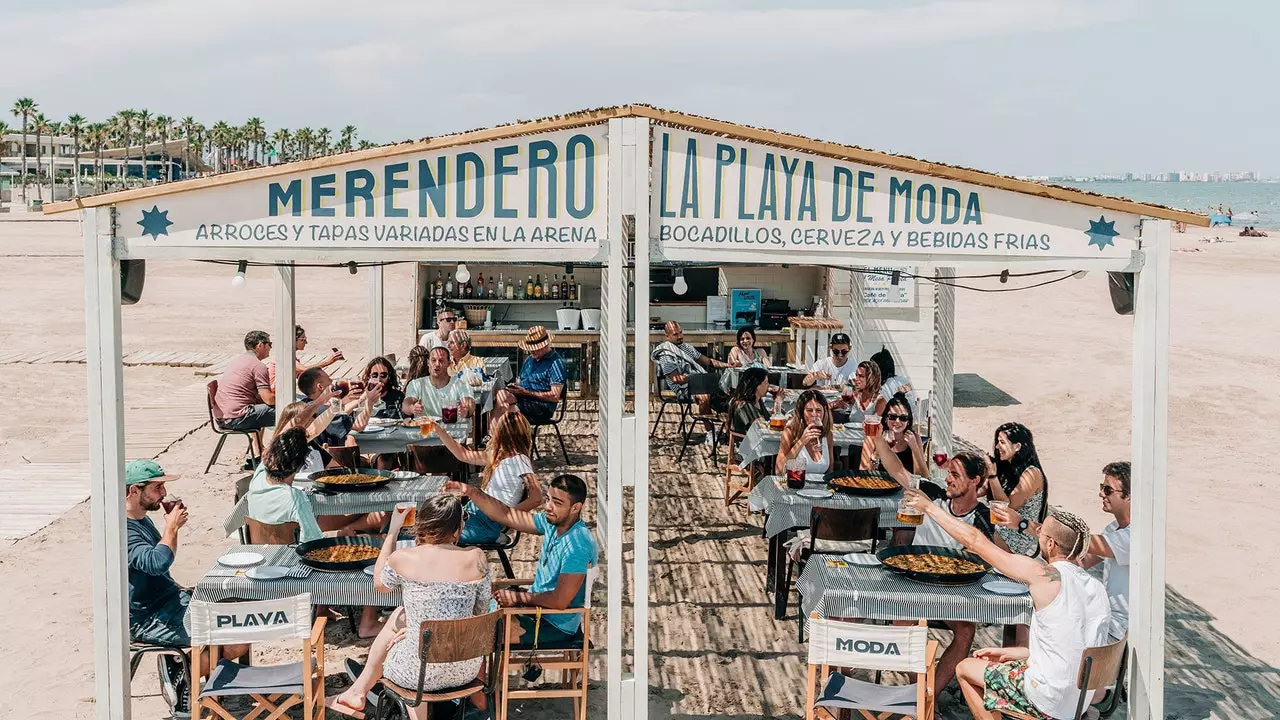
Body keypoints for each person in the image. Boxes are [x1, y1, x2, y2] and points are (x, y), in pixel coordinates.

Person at [904, 491, 1111, 720]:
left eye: (1042, 532)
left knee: (964, 668)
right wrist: (1016, 653)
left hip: (1047, 699)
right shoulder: (1097, 589)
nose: (1038, 533)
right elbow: (1072, 648)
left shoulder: (1044, 574)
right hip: (1077, 702)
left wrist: (930, 508)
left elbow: (976, 541)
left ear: (1051, 545)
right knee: (991, 662)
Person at [330, 497, 493, 718]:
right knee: (403, 617)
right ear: (457, 528)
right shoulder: (477, 557)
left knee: (399, 618)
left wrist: (393, 531)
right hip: (466, 670)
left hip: (418, 673)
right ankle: (359, 691)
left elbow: (380, 584)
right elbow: (479, 614)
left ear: (421, 525)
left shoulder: (403, 558)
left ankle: (359, 691)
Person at [126, 460, 249, 716]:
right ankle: (183, 675)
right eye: (157, 487)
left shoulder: (140, 519)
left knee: (239, 615)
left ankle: (183, 668)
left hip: (169, 600)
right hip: (149, 618)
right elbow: (157, 563)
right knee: (237, 638)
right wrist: (172, 527)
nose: (163, 494)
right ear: (133, 492)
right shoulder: (123, 530)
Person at [446, 474, 598, 647]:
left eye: (557, 503)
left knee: (475, 633)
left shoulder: (578, 545)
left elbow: (560, 601)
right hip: (536, 610)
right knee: (469, 613)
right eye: (548, 499)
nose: (548, 507)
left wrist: (517, 597)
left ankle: (476, 675)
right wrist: (472, 492)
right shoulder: (553, 524)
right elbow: (507, 515)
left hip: (554, 625)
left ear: (576, 507)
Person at [904, 452, 1005, 690]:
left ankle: (929, 698)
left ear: (975, 481)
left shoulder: (982, 517)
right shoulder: (935, 493)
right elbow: (897, 470)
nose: (948, 479)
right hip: (915, 584)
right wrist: (877, 437)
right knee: (903, 619)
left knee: (966, 629)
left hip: (950, 592)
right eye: (949, 472)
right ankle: (917, 692)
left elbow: (1004, 556)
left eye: (955, 474)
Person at [998, 461, 1131, 642]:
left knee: (1038, 619)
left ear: (1130, 496)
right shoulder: (1114, 528)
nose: (1101, 493)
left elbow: (1075, 540)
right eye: (1102, 487)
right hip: (1105, 620)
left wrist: (1023, 524)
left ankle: (1030, 666)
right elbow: (1080, 561)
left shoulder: (1133, 537)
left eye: (1108, 490)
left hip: (1116, 629)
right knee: (1030, 609)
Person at [428, 410, 544, 544]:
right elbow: (463, 455)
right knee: (428, 522)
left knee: (432, 535)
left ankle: (492, 536)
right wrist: (438, 429)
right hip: (473, 513)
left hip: (486, 523)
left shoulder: (519, 460)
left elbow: (537, 498)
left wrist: (506, 517)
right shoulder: (499, 456)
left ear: (501, 432)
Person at [245, 428, 330, 542]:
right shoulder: (297, 499)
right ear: (302, 464)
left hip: (259, 547)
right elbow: (312, 542)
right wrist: (339, 533)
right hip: (290, 554)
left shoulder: (259, 475)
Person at [989, 422, 1048, 556]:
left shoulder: (1032, 474)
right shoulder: (1007, 468)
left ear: (1017, 446)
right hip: (1002, 528)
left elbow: (1007, 506)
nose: (997, 447)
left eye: (1002, 442)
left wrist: (992, 476)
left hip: (1018, 534)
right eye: (997, 442)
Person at [652, 320, 730, 414]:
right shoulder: (665, 354)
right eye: (675, 334)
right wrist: (697, 379)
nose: (680, 336)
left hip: (700, 382)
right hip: (683, 388)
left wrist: (728, 365)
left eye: (681, 332)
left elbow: (708, 361)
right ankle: (709, 428)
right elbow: (677, 379)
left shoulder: (686, 347)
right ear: (667, 336)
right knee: (704, 396)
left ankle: (729, 425)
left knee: (730, 395)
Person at [494, 326, 565, 423]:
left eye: (534, 349)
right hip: (522, 398)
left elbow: (554, 396)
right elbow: (521, 380)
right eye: (530, 348)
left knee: (506, 413)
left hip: (541, 406)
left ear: (544, 345)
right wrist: (515, 387)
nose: (531, 351)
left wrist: (526, 393)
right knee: (499, 397)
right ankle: (494, 436)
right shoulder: (529, 360)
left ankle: (504, 436)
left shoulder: (555, 363)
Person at [213, 330, 276, 435]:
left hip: (222, 419)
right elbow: (269, 399)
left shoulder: (236, 361)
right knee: (290, 411)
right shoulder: (258, 366)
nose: (270, 348)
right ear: (260, 345)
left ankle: (260, 447)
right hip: (238, 418)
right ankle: (284, 447)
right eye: (269, 344)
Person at [860, 392, 927, 481]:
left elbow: (924, 477)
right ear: (886, 418)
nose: (897, 421)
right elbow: (863, 476)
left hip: (905, 490)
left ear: (908, 421)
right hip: (880, 489)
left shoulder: (914, 437)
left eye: (903, 418)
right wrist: (876, 455)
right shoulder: (873, 438)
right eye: (892, 417)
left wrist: (914, 448)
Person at [266, 325, 342, 394]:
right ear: (293, 340)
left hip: (282, 393)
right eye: (303, 339)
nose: (306, 342)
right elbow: (305, 370)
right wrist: (328, 362)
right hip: (277, 396)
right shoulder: (286, 356)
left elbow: (303, 375)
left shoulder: (290, 356)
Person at [403, 346, 475, 419]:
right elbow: (406, 405)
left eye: (441, 361)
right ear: (428, 363)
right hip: (426, 428)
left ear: (449, 363)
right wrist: (412, 408)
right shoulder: (416, 384)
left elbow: (469, 403)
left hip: (452, 428)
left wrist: (465, 411)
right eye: (433, 360)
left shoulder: (460, 384)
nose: (437, 364)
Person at [775, 389, 834, 476]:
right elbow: (779, 471)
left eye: (818, 410)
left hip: (819, 488)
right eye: (809, 410)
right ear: (802, 412)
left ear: (824, 411)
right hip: (795, 486)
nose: (814, 415)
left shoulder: (828, 435)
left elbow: (830, 473)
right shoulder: (790, 433)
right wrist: (801, 442)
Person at [869, 346, 918, 416]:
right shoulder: (904, 380)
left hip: (898, 423)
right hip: (910, 419)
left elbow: (876, 417)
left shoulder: (885, 387)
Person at [729, 366, 778, 435]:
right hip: (747, 443)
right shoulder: (744, 405)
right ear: (757, 385)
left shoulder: (757, 400)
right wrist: (777, 403)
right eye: (766, 382)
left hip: (761, 439)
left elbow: (769, 421)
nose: (768, 385)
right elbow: (763, 428)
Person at [846, 359, 887, 425]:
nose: (856, 379)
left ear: (872, 378)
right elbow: (838, 404)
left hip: (866, 434)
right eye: (856, 375)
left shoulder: (880, 401)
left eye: (861, 376)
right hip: (849, 433)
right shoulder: (856, 395)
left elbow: (873, 424)